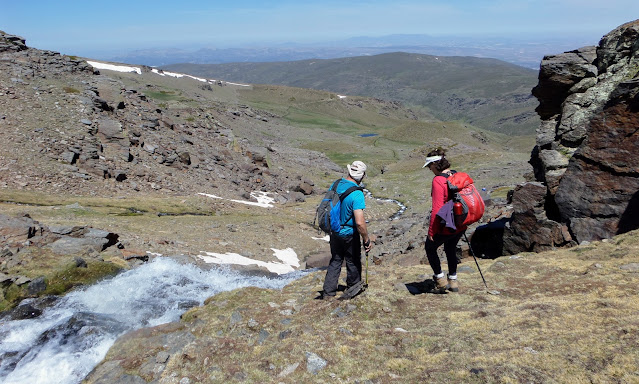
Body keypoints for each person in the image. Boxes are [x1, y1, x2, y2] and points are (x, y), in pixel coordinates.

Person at [321, 161, 373, 299]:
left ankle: (328, 293)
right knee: (353, 260)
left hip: (334, 230)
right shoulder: (357, 194)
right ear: (362, 176)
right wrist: (366, 239)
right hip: (349, 233)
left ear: (349, 171)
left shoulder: (336, 184)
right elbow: (360, 223)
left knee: (336, 260)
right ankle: (353, 290)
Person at [423, 149, 465, 293]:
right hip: (460, 222)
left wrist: (431, 232)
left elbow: (437, 209)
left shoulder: (438, 180)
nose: (429, 169)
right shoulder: (455, 174)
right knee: (450, 248)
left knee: (430, 247)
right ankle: (453, 280)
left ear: (435, 164)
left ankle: (440, 280)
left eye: (430, 166)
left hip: (447, 223)